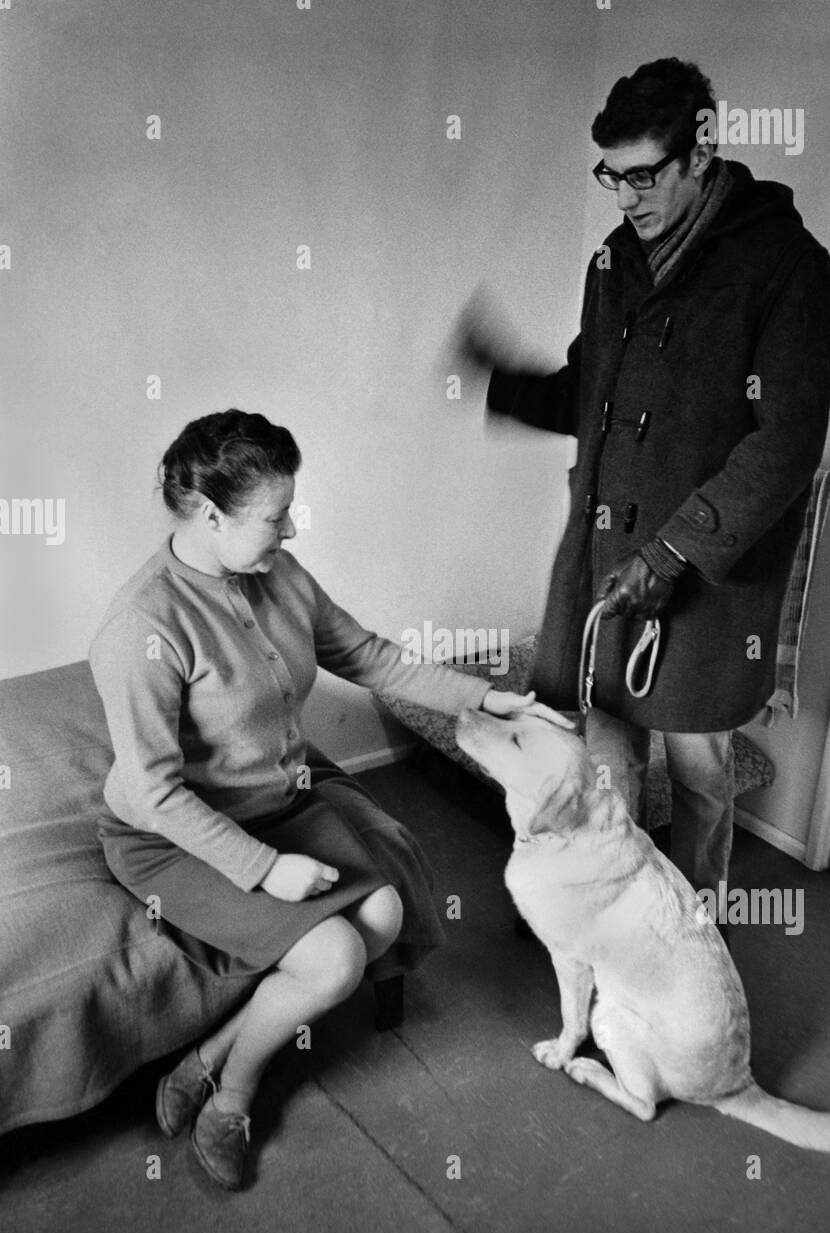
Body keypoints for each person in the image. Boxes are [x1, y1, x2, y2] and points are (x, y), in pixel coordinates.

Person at [89, 408, 565, 1190]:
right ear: (211, 515)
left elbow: (369, 656)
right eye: (276, 517)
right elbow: (150, 792)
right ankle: (233, 1098)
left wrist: (485, 699)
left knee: (379, 916)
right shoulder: (143, 624)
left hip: (279, 800)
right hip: (173, 834)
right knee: (336, 954)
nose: (291, 532)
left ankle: (207, 1055)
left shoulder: (277, 576)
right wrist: (264, 868)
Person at [455, 57, 830, 904]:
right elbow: (591, 396)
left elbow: (785, 444)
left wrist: (669, 558)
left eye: (643, 175)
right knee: (609, 752)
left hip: (703, 578)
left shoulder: (786, 264)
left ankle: (696, 930)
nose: (625, 198)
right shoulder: (614, 262)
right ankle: (617, 916)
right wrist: (501, 378)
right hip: (604, 562)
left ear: (700, 153)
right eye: (611, 177)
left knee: (700, 771)